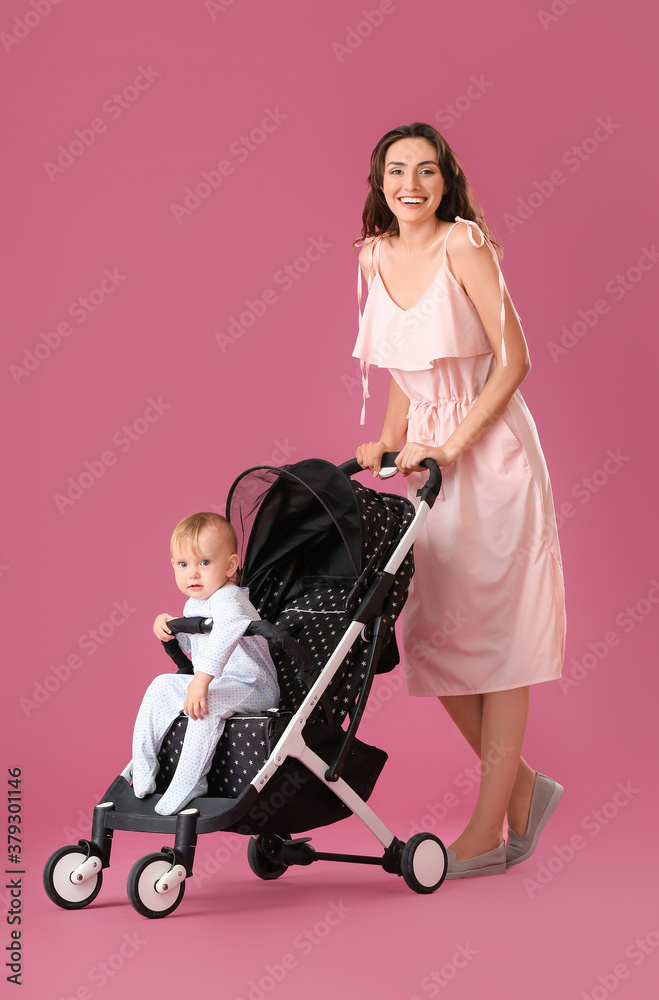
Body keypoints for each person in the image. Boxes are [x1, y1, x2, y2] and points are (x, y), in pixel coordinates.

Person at [352, 123, 566, 879]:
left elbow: (514, 362)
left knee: (500, 644)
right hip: (424, 466)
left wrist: (452, 445)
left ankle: (486, 826)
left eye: (427, 171)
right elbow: (401, 374)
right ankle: (526, 786)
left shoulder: (463, 244)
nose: (412, 184)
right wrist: (383, 440)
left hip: (491, 453)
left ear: (445, 182)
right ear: (378, 182)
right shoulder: (373, 256)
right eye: (397, 171)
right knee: (434, 634)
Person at [131, 511, 279, 816]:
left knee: (205, 701)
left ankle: (190, 781)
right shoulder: (194, 603)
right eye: (183, 565)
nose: (192, 574)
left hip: (253, 686)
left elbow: (224, 634)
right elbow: (199, 647)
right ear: (172, 565)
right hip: (219, 680)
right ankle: (143, 764)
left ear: (229, 566)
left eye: (204, 563)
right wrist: (172, 627)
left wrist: (200, 681)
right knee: (161, 685)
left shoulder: (229, 598)